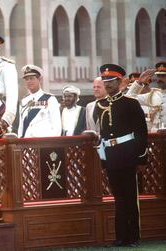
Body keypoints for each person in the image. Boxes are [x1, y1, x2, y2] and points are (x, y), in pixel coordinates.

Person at [93, 64, 148, 247]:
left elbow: (141, 133)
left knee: (131, 197)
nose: (107, 84)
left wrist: (141, 158)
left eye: (111, 81)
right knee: (118, 198)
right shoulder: (99, 106)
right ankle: (121, 236)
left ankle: (133, 237)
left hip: (128, 153)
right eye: (105, 81)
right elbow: (101, 133)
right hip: (111, 155)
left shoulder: (131, 104)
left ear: (119, 82)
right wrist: (103, 158)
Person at [18, 64, 61, 137]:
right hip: (27, 144)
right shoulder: (24, 101)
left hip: (43, 143)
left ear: (39, 80)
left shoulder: (50, 99)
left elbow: (57, 127)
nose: (29, 81)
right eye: (27, 79)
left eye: (31, 78)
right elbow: (21, 126)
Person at [126, 61, 166, 132]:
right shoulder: (152, 95)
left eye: (163, 76)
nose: (160, 79)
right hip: (156, 137)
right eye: (158, 76)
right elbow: (128, 99)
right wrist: (139, 82)